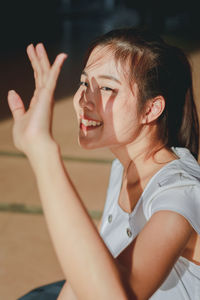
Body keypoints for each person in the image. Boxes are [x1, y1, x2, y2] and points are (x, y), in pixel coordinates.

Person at [8, 27, 200, 300]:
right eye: (85, 83)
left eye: (107, 88)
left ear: (151, 109)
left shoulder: (181, 195)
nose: (84, 100)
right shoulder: (123, 167)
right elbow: (93, 268)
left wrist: (42, 152)